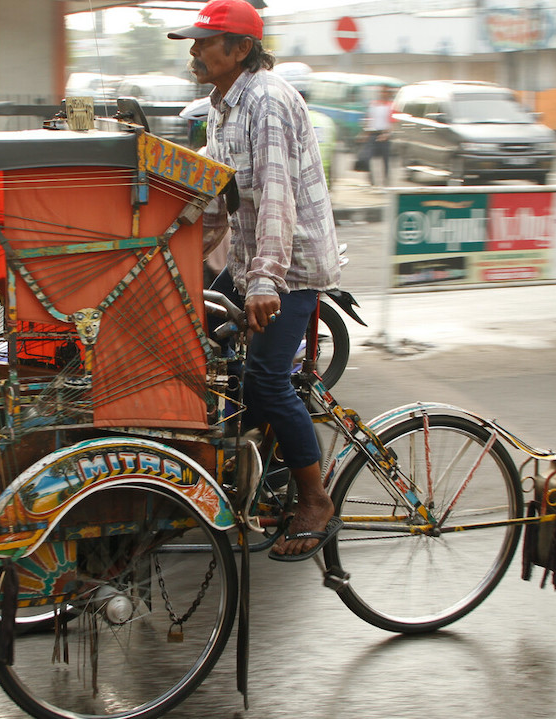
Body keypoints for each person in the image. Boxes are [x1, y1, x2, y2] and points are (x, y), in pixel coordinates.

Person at [168, 0, 343, 561]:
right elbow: (222, 201)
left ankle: (315, 499)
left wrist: (265, 281)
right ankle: (262, 475)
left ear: (240, 49)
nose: (194, 51)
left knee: (267, 380)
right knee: (223, 367)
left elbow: (275, 196)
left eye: (204, 42)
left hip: (290, 266)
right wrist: (172, 259)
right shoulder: (222, 104)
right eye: (193, 42)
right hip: (255, 261)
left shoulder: (266, 100)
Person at [363, 85, 395, 186]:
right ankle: (371, 181)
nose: (383, 94)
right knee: (368, 157)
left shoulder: (391, 106)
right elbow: (369, 119)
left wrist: (387, 134)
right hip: (373, 133)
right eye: (382, 92)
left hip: (384, 134)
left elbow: (393, 122)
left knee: (385, 160)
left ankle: (386, 181)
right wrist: (365, 133)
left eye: (386, 92)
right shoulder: (373, 105)